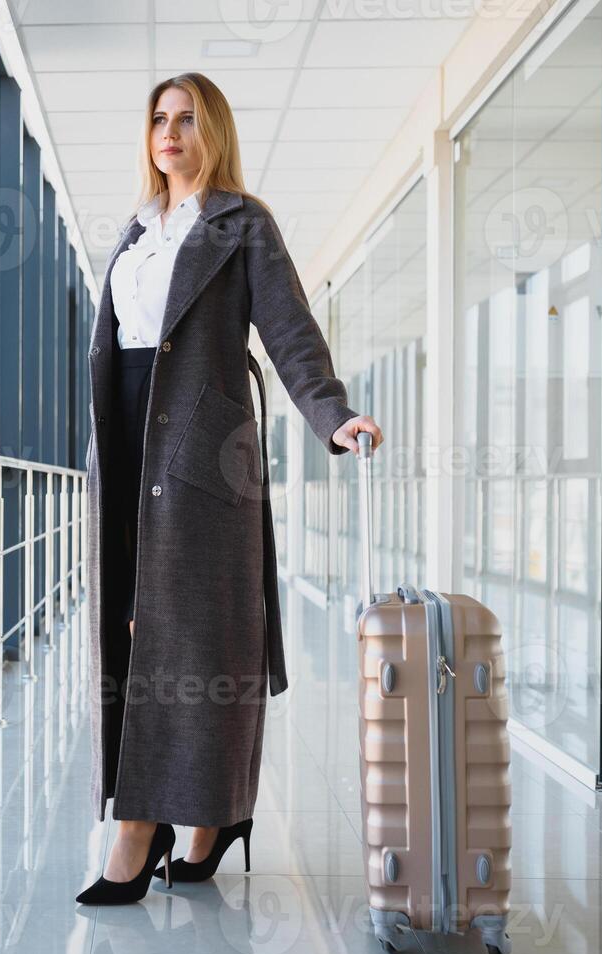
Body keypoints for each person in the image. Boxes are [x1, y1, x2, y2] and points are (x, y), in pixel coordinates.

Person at [78, 72, 383, 905]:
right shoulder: (136, 232)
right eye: (158, 120)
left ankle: (148, 828)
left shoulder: (243, 224)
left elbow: (289, 333)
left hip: (204, 455)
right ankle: (206, 817)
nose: (169, 132)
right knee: (134, 624)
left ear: (212, 130)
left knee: (200, 641)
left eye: (185, 119)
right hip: (130, 442)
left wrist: (333, 416)